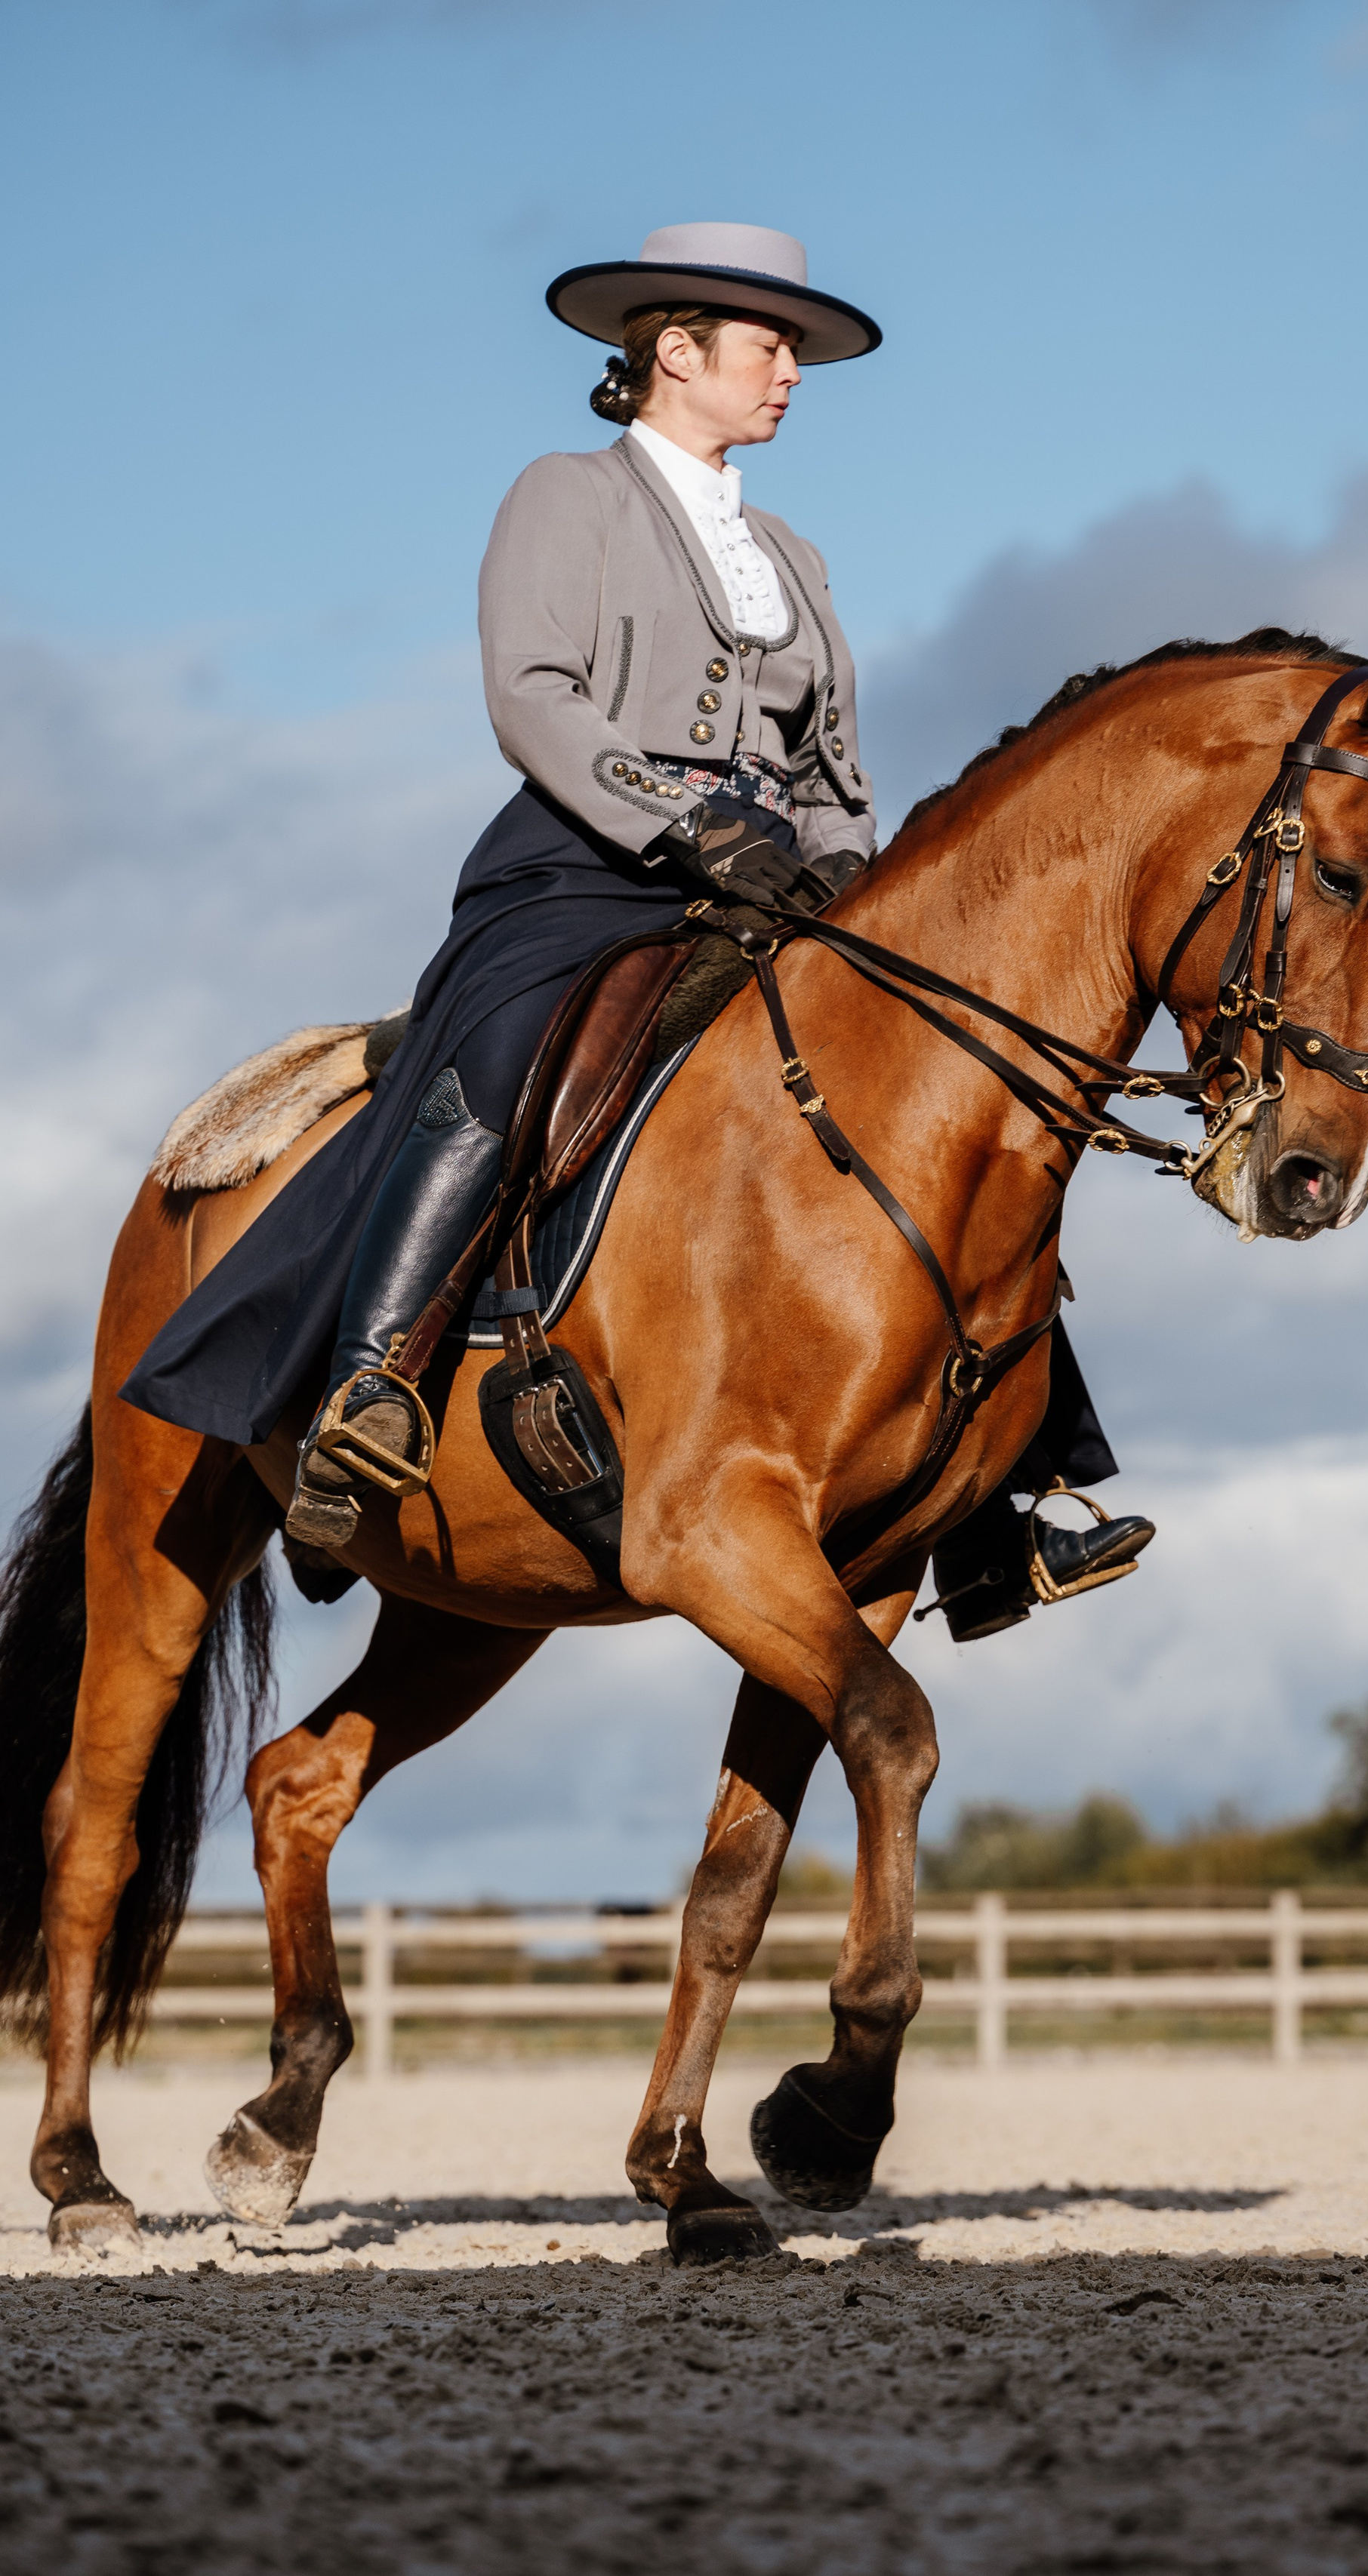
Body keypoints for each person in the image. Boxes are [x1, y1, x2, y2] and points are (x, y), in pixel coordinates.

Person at [122, 220, 1151, 1637]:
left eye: (793, 352)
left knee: (950, 1095)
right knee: (504, 1044)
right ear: (676, 350)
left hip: (777, 883)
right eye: (769, 346)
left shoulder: (791, 554)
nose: (791, 372)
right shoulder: (567, 497)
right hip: (587, 866)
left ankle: (1000, 1491)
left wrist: (847, 877)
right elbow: (533, 692)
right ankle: (373, 1379)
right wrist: (680, 820)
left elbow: (834, 766)